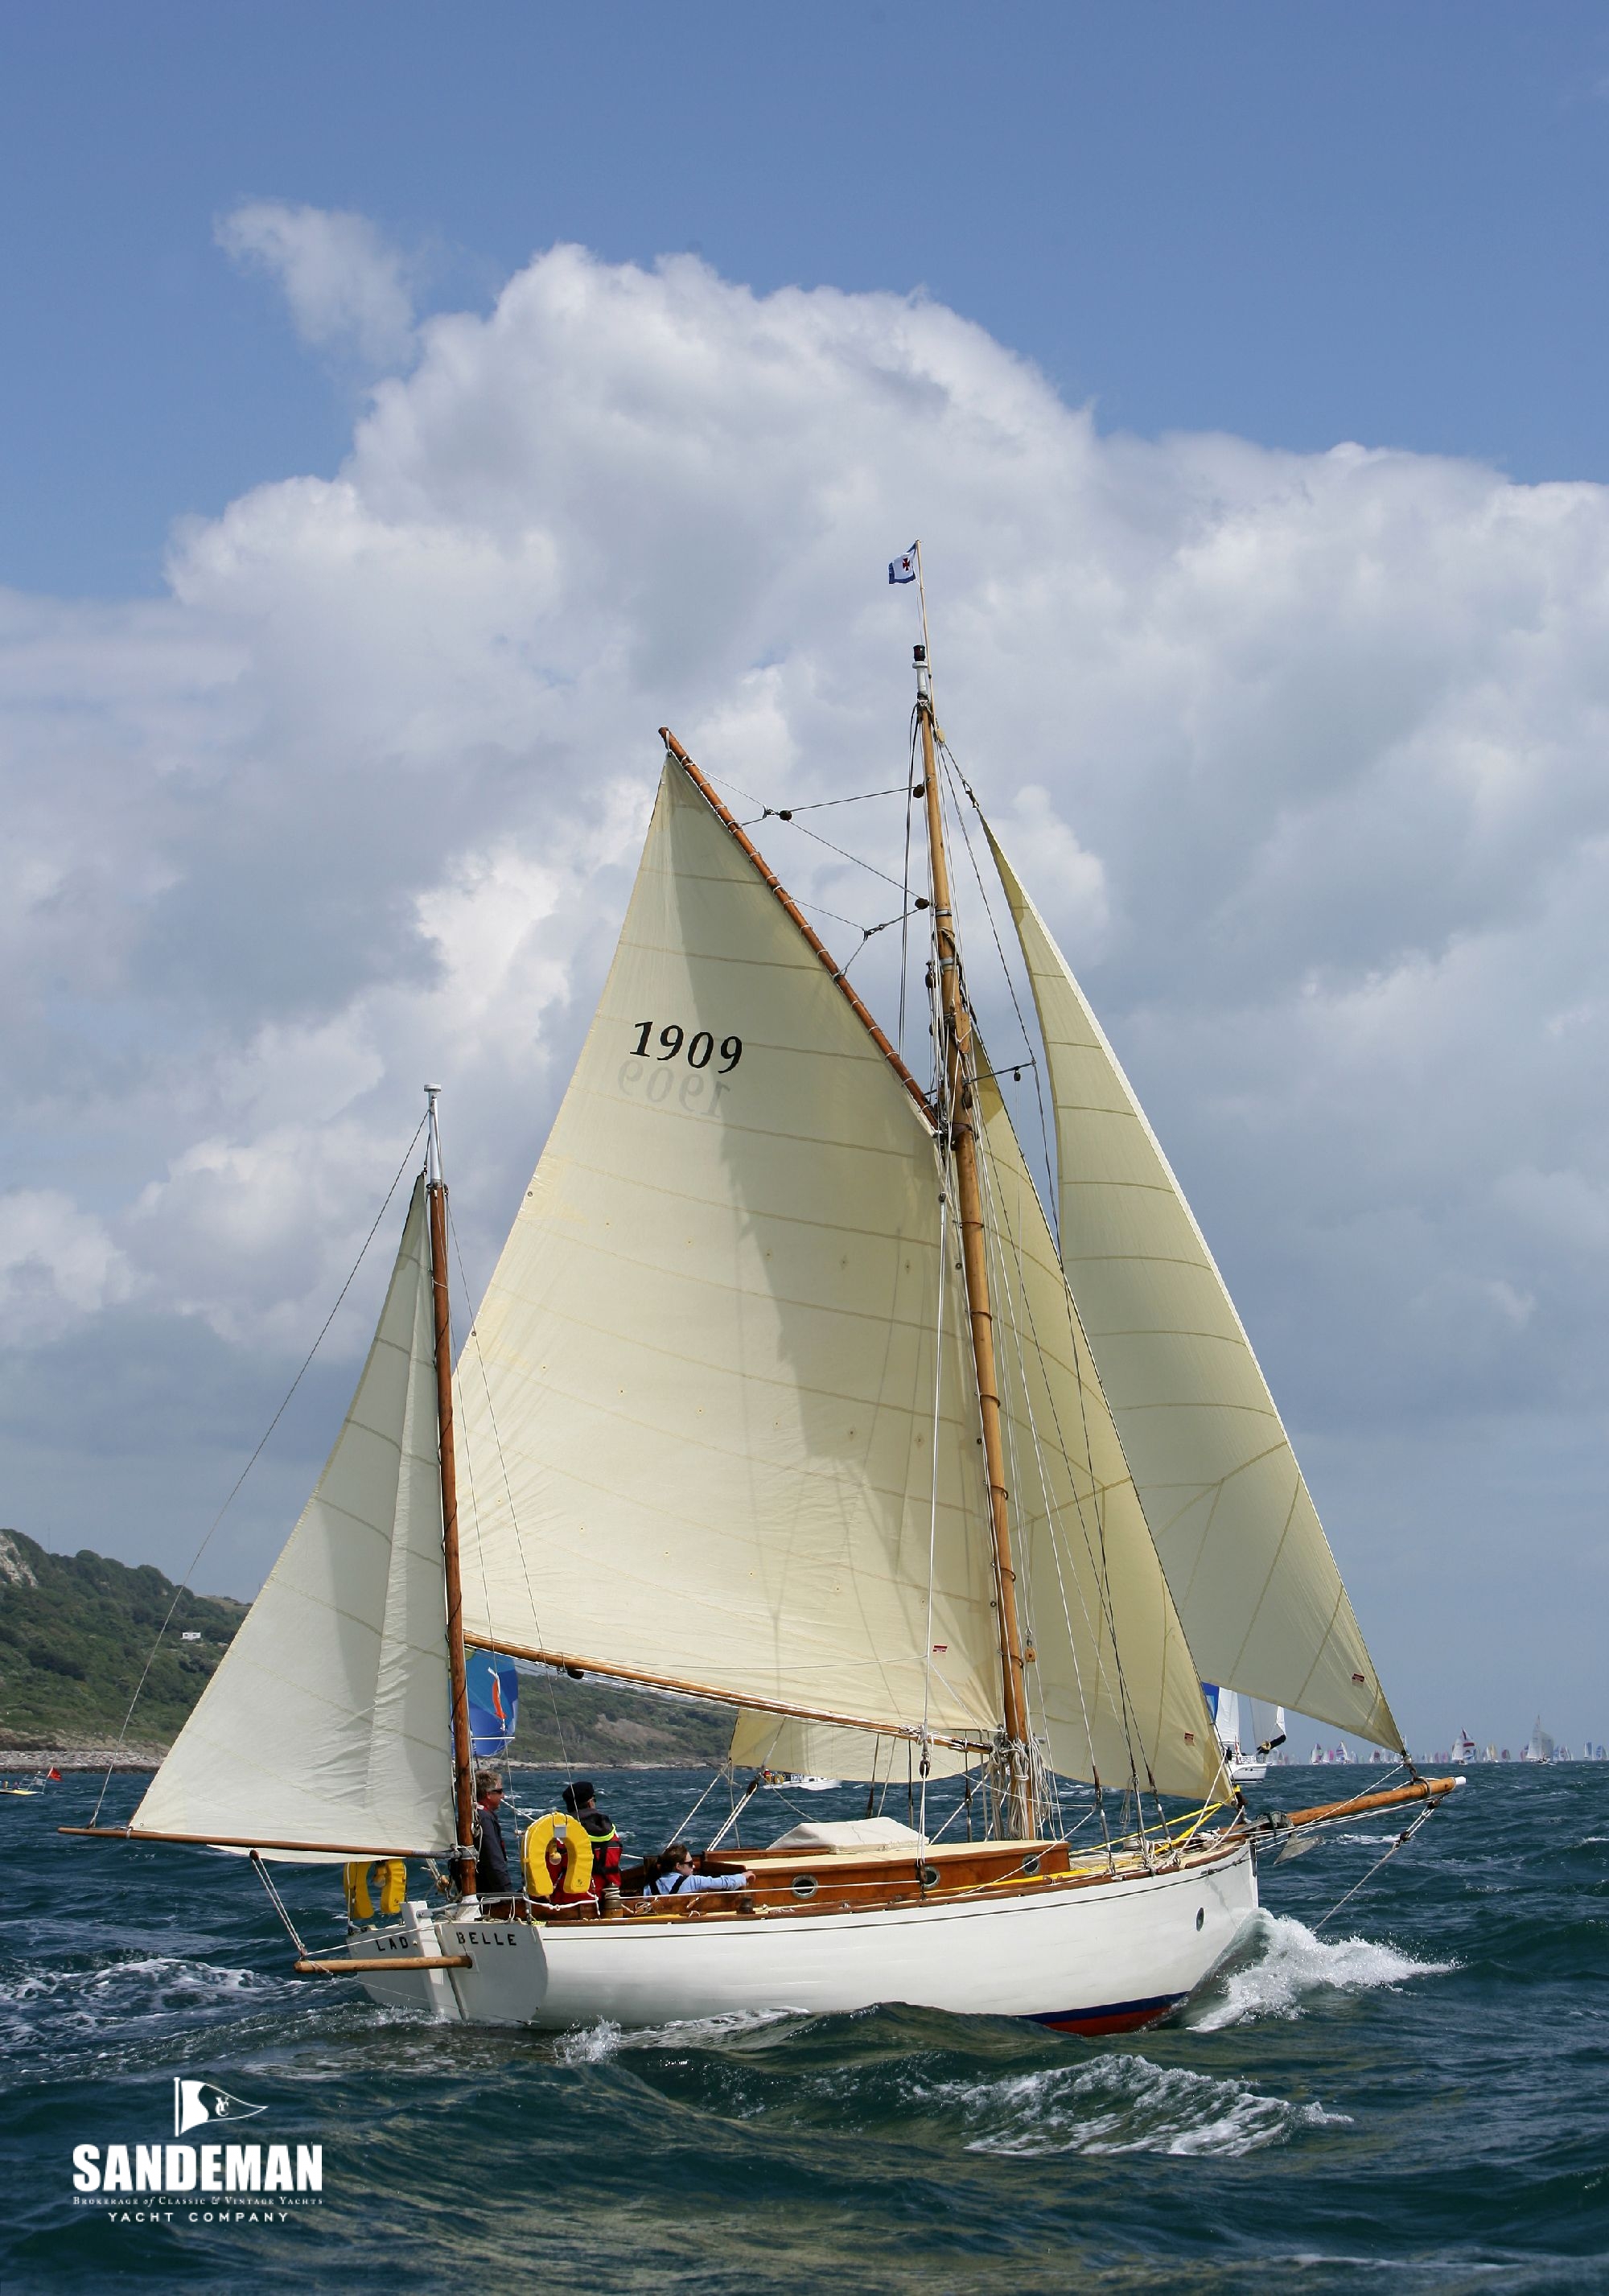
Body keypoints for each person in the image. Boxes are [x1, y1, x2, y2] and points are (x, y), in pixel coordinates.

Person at [562, 1779, 623, 1907]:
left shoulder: (560, 1832)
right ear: (590, 1802)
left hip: (569, 1901)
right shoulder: (611, 1830)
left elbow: (552, 1866)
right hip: (607, 1898)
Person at [646, 1842, 755, 1898]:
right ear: (678, 1866)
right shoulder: (692, 1881)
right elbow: (720, 1882)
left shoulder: (649, 1888)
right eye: (690, 1864)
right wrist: (743, 1877)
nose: (693, 1866)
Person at [473, 1768, 513, 1904]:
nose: (503, 1796)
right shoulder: (484, 1819)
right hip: (488, 1895)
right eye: (500, 1791)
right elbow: (493, 1860)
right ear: (488, 1795)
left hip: (479, 1891)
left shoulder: (477, 1815)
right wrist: (508, 1897)